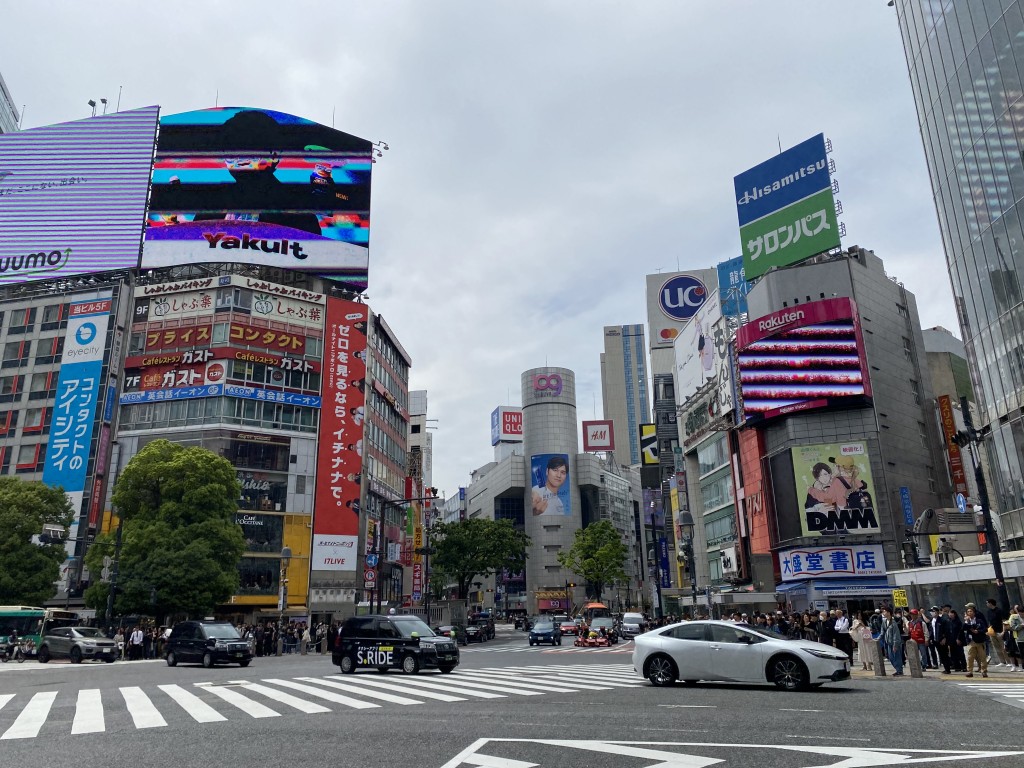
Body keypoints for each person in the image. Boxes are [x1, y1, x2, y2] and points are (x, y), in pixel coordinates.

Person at [962, 603, 989, 678]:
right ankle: (970, 671)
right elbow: (964, 628)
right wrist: (966, 622)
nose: (969, 613)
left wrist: (978, 631)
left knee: (982, 657)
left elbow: (984, 629)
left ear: (974, 612)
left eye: (971, 611)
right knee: (970, 657)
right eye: (968, 612)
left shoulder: (979, 620)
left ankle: (984, 671)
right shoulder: (967, 621)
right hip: (971, 641)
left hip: (980, 641)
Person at [984, 598, 1010, 668]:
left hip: (1000, 631)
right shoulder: (988, 611)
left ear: (990, 603)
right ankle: (1002, 661)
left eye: (987, 603)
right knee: (996, 647)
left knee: (1003, 647)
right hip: (992, 631)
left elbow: (1003, 621)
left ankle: (1008, 661)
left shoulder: (999, 611)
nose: (986, 604)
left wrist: (1003, 631)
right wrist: (988, 630)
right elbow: (989, 621)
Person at [881, 607, 905, 676]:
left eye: (885, 611)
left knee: (897, 656)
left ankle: (899, 670)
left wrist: (895, 644)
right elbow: (882, 632)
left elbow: (896, 634)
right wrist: (878, 638)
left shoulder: (893, 622)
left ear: (889, 613)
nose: (883, 613)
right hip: (888, 642)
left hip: (894, 642)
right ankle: (897, 669)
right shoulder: (884, 621)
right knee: (890, 657)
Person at [929, 606, 952, 674]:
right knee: (941, 655)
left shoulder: (942, 620)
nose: (932, 613)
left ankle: (948, 669)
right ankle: (945, 668)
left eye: (933, 612)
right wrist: (931, 638)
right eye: (931, 612)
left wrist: (944, 638)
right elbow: (931, 631)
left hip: (942, 640)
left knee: (944, 654)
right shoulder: (932, 621)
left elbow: (946, 630)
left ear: (937, 612)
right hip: (935, 640)